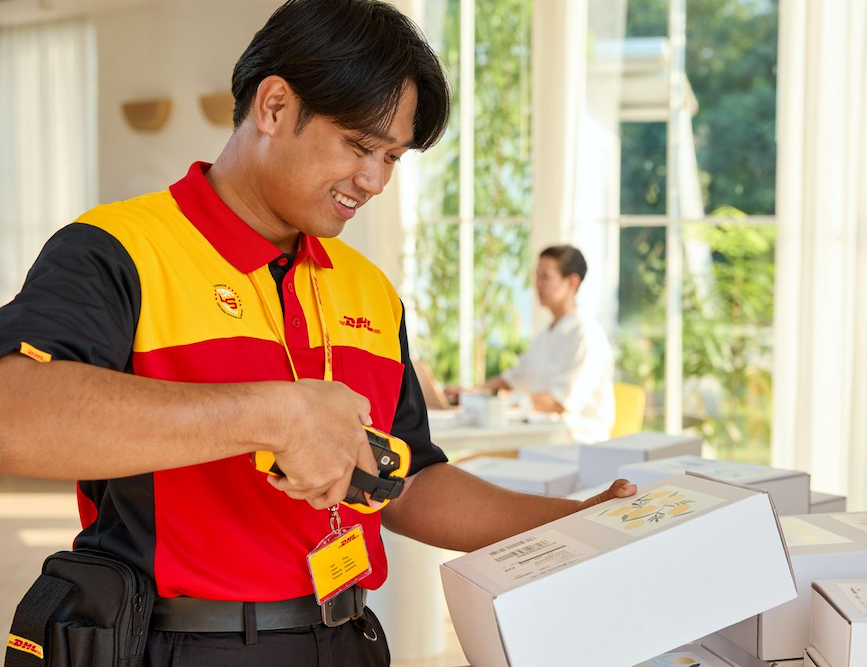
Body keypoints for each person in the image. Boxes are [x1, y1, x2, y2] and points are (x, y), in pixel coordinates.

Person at [0, 2, 633, 666]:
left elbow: (409, 477)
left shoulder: (369, 290)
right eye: (360, 145)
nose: (374, 180)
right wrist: (274, 414)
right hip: (181, 642)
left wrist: (573, 518)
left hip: (346, 638)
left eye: (392, 157)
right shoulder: (120, 250)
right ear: (273, 106)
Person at [449, 245, 616, 443]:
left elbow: (559, 403)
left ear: (572, 282)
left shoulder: (586, 335)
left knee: (465, 468)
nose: (537, 284)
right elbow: (512, 378)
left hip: (573, 444)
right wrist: (473, 392)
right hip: (538, 438)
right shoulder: (547, 333)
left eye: (545, 277)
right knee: (462, 466)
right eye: (536, 276)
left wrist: (497, 398)